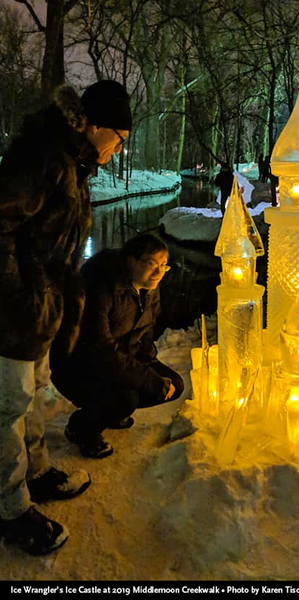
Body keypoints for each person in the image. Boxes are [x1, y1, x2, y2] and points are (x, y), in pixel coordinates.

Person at [0, 79, 132, 555]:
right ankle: (9, 510)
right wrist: (24, 296)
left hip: (38, 313)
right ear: (94, 125)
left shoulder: (73, 163)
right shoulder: (42, 156)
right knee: (8, 409)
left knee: (32, 396)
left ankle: (34, 475)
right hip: (14, 313)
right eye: (118, 140)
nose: (118, 151)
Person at [50, 234, 185, 460]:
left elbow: (146, 331)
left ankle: (107, 411)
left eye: (163, 265)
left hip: (118, 359)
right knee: (126, 399)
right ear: (131, 260)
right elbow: (99, 351)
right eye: (152, 264)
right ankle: (83, 427)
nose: (159, 272)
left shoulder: (149, 288)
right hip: (78, 366)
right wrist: (146, 378)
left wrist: (148, 364)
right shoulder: (101, 287)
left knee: (174, 386)